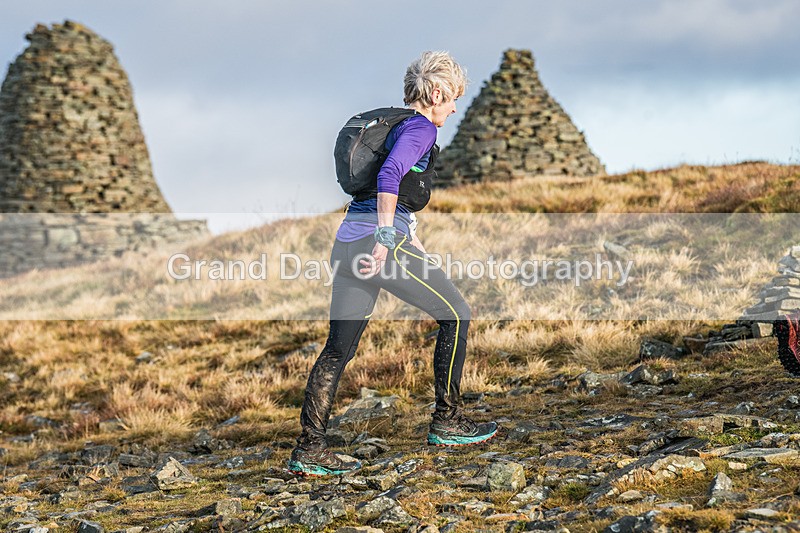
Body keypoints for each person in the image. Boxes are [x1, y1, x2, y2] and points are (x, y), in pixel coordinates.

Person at [288, 51, 497, 477]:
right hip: (378, 244)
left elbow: (396, 193)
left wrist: (411, 243)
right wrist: (387, 241)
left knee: (337, 350)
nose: (455, 107)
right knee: (457, 314)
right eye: (453, 97)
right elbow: (389, 177)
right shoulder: (419, 128)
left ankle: (309, 448)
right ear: (436, 92)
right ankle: (448, 421)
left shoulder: (396, 126)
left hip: (348, 244)